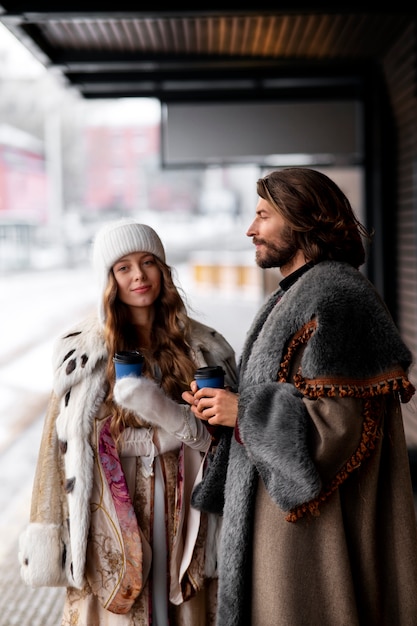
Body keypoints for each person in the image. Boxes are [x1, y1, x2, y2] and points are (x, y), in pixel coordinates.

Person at [182, 167, 417, 626]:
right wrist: (225, 410)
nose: (251, 230)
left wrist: (245, 412)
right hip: (285, 529)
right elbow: (291, 395)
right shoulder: (296, 293)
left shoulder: (338, 297)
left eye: (263, 216)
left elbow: (339, 427)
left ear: (302, 219)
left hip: (312, 540)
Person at [18, 219, 238, 626]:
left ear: (164, 270)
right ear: (109, 279)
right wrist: (50, 529)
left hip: (184, 503)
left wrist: (178, 427)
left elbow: (226, 438)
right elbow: (58, 445)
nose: (139, 275)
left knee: (179, 608)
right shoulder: (79, 352)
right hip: (111, 513)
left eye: (149, 262)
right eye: (124, 267)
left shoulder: (206, 346)